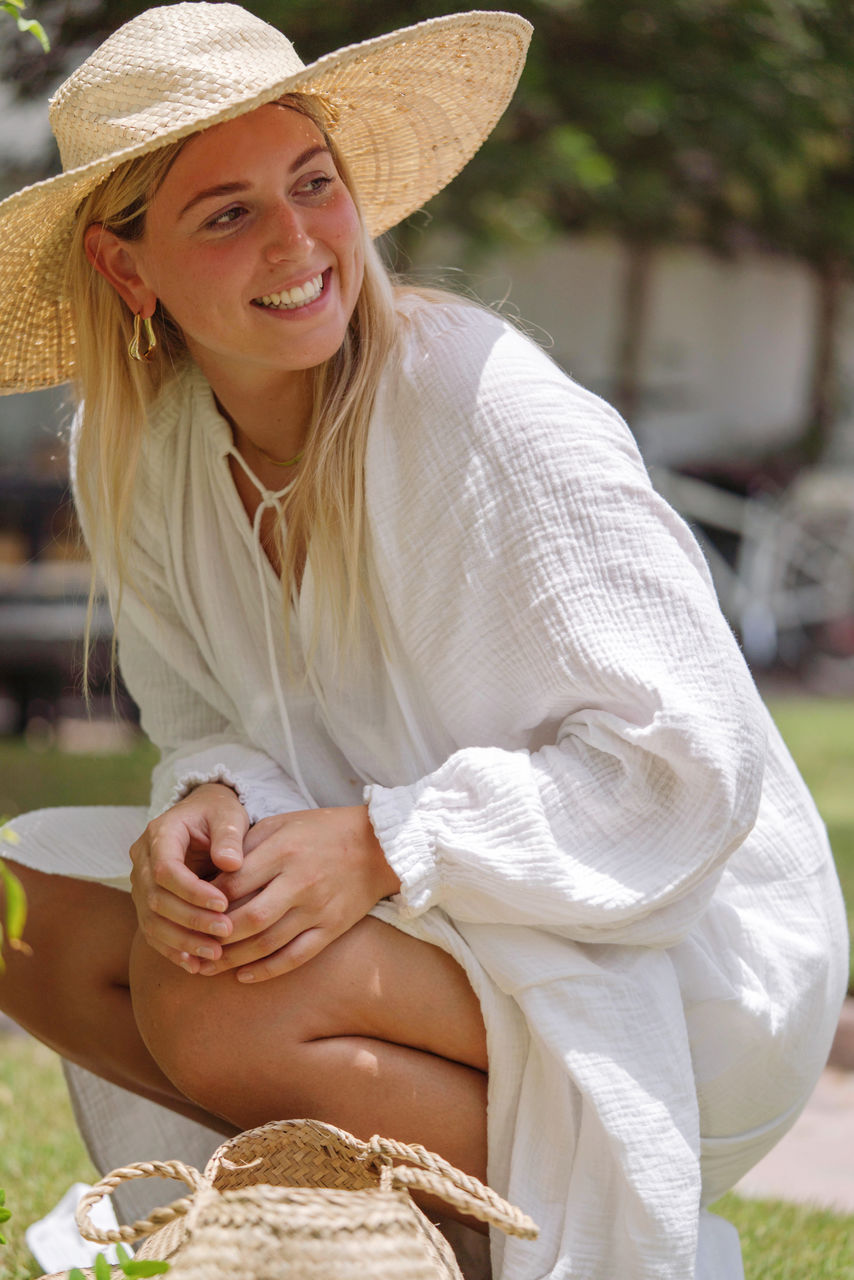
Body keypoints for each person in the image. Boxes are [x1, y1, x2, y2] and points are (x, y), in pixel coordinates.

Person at [0, 5, 847, 1278]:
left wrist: (386, 841)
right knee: (23, 913)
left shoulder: (485, 406)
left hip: (667, 945)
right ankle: (370, 1233)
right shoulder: (146, 453)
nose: (297, 242)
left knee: (216, 999)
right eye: (225, 213)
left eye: (313, 184)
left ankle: (597, 1220)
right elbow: (201, 717)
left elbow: (690, 763)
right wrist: (213, 806)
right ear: (130, 272)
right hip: (426, 924)